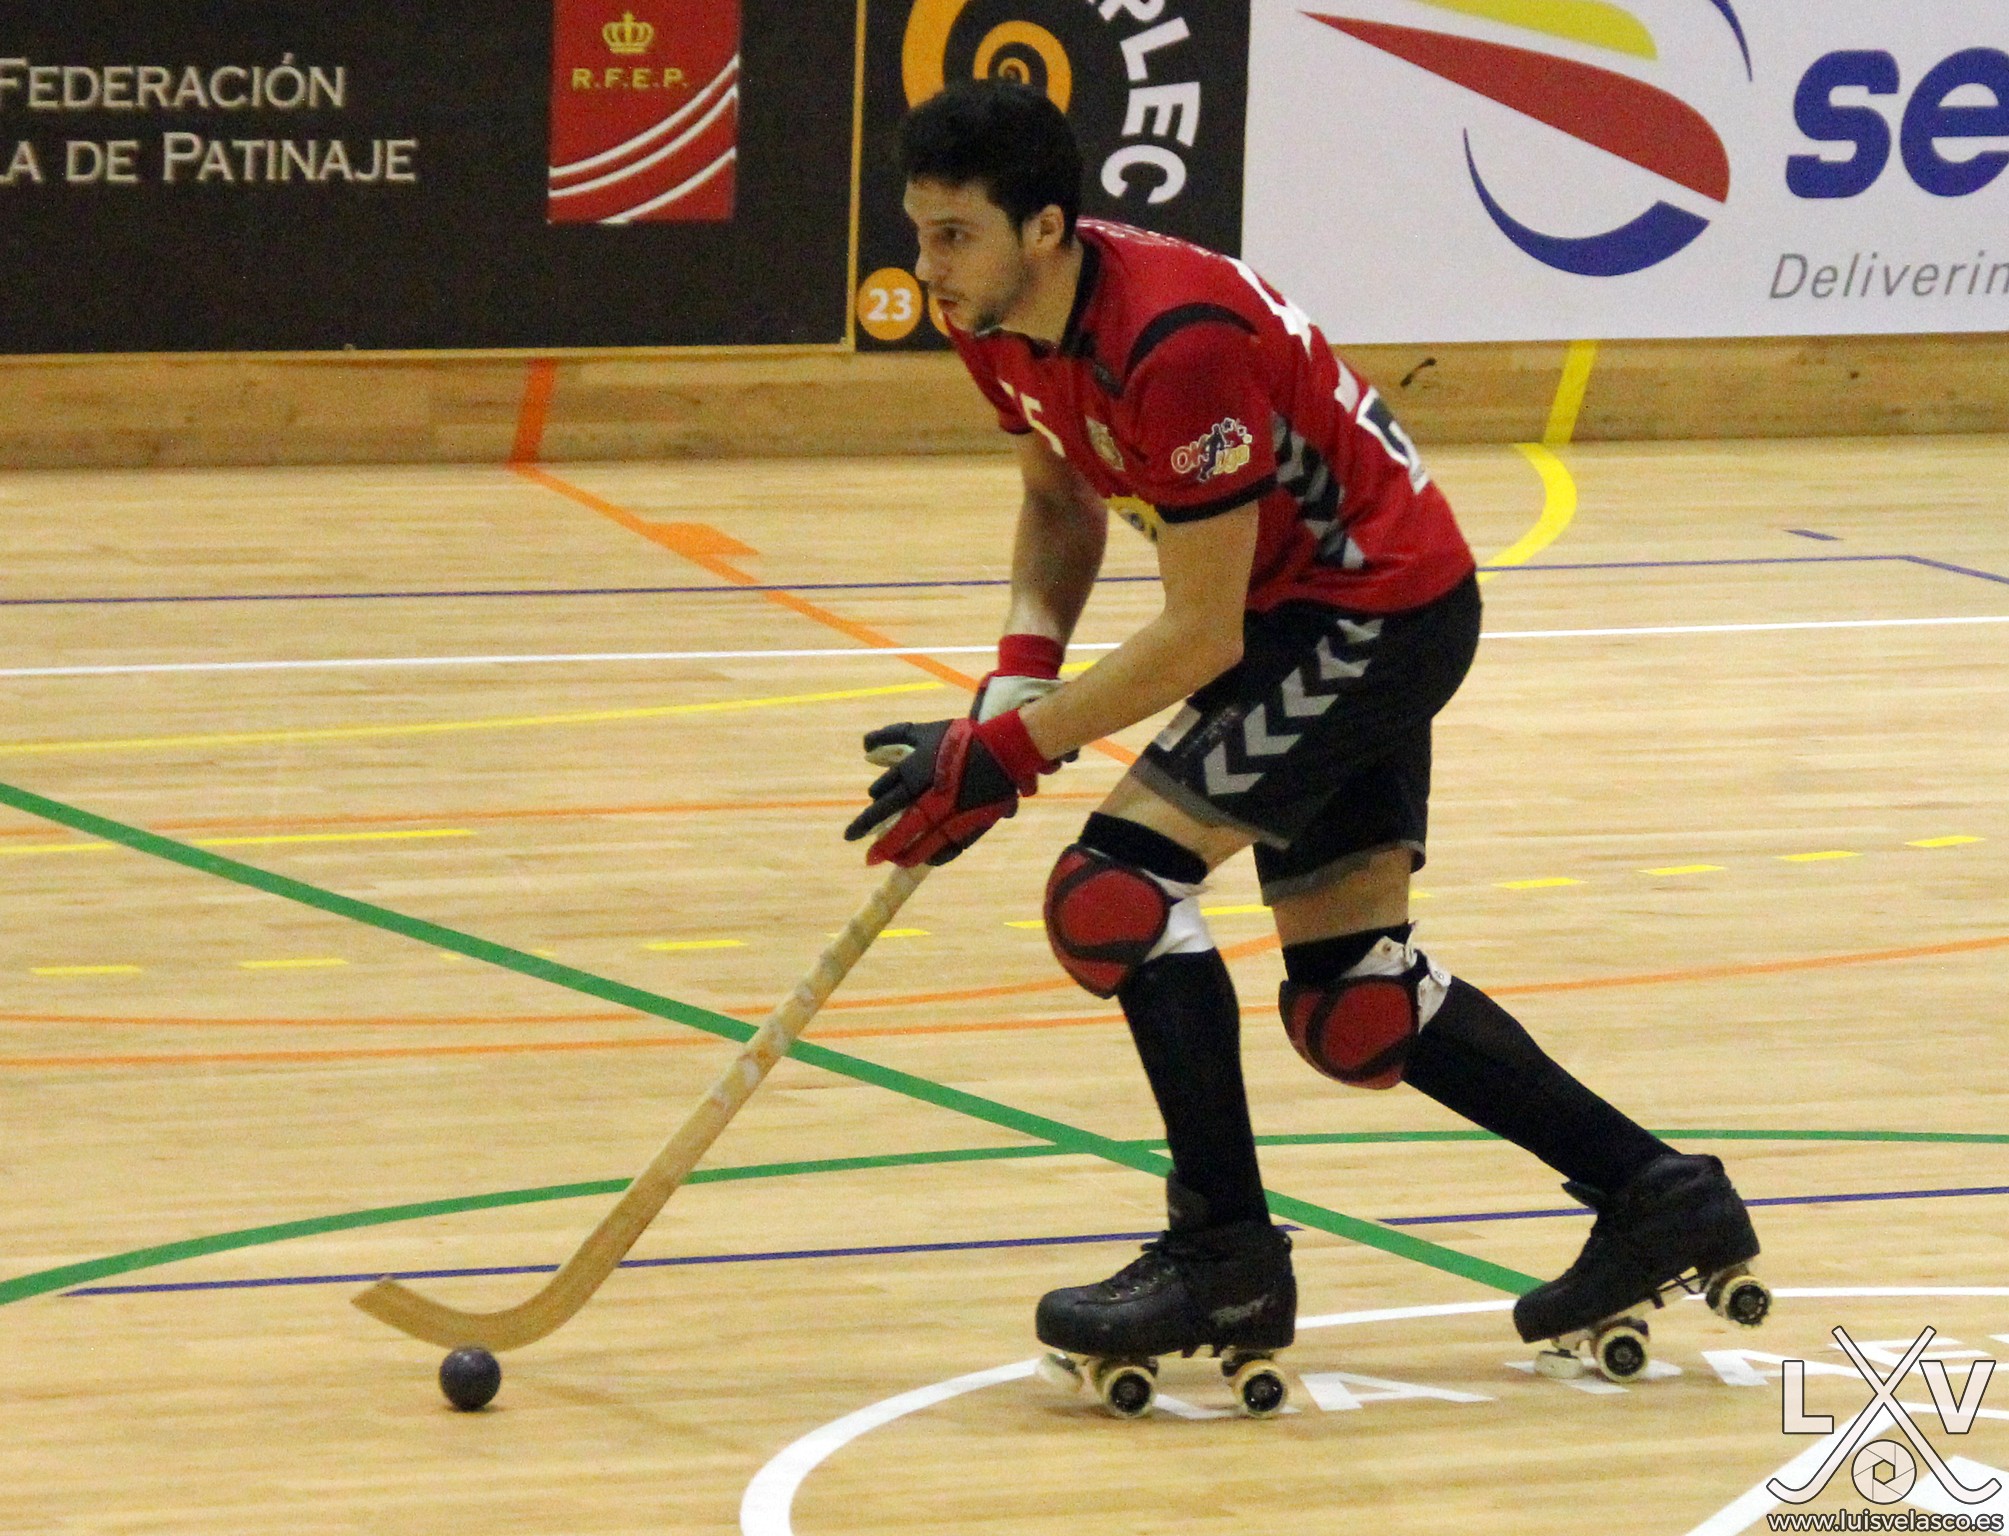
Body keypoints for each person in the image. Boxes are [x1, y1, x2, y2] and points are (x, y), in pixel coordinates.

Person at [843, 79, 1763, 1392]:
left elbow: (1200, 635)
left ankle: (1222, 1256)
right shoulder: (993, 318)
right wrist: (1013, 687)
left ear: (1045, 228)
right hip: (1307, 613)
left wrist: (1009, 753)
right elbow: (1058, 503)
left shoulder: (1174, 342)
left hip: (1371, 611)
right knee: (1355, 1006)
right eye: (920, 232)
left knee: (1114, 895)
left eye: (953, 236)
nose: (926, 267)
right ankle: (1659, 1196)